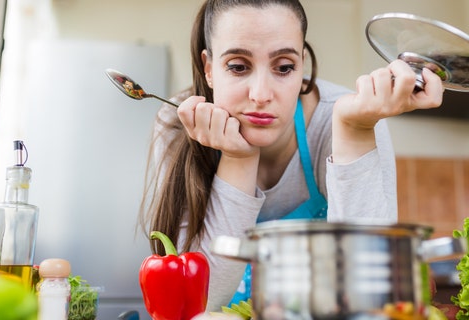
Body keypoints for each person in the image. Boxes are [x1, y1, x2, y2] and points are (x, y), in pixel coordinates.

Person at [139, 0, 443, 312]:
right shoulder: (176, 123)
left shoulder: (345, 118)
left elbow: (376, 299)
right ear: (209, 68)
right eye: (238, 67)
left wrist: (355, 131)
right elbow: (192, 310)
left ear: (302, 66)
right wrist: (239, 159)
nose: (260, 94)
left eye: (283, 67)